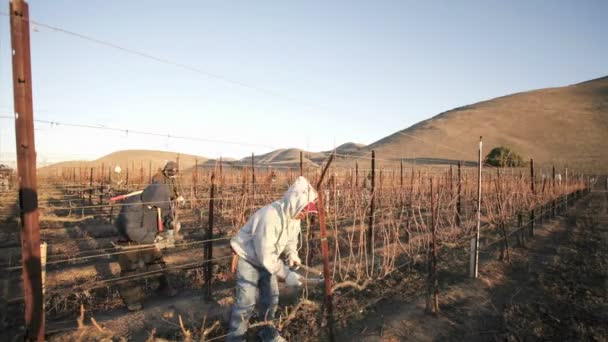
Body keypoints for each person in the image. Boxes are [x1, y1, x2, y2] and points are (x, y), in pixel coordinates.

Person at [227, 176, 318, 342]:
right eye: (304, 210)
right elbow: (265, 255)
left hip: (267, 259)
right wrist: (286, 274)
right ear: (295, 203)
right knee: (246, 301)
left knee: (271, 298)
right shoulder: (270, 217)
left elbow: (291, 240)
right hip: (247, 258)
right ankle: (235, 338)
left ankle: (267, 333)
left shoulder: (294, 218)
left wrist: (292, 254)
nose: (305, 215)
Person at [114, 167, 179, 311]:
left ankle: (163, 288)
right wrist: (153, 239)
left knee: (157, 262)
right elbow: (131, 230)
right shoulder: (133, 204)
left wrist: (171, 223)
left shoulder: (162, 202)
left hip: (149, 237)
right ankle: (132, 300)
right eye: (155, 206)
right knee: (130, 269)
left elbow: (166, 216)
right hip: (128, 240)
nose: (158, 208)